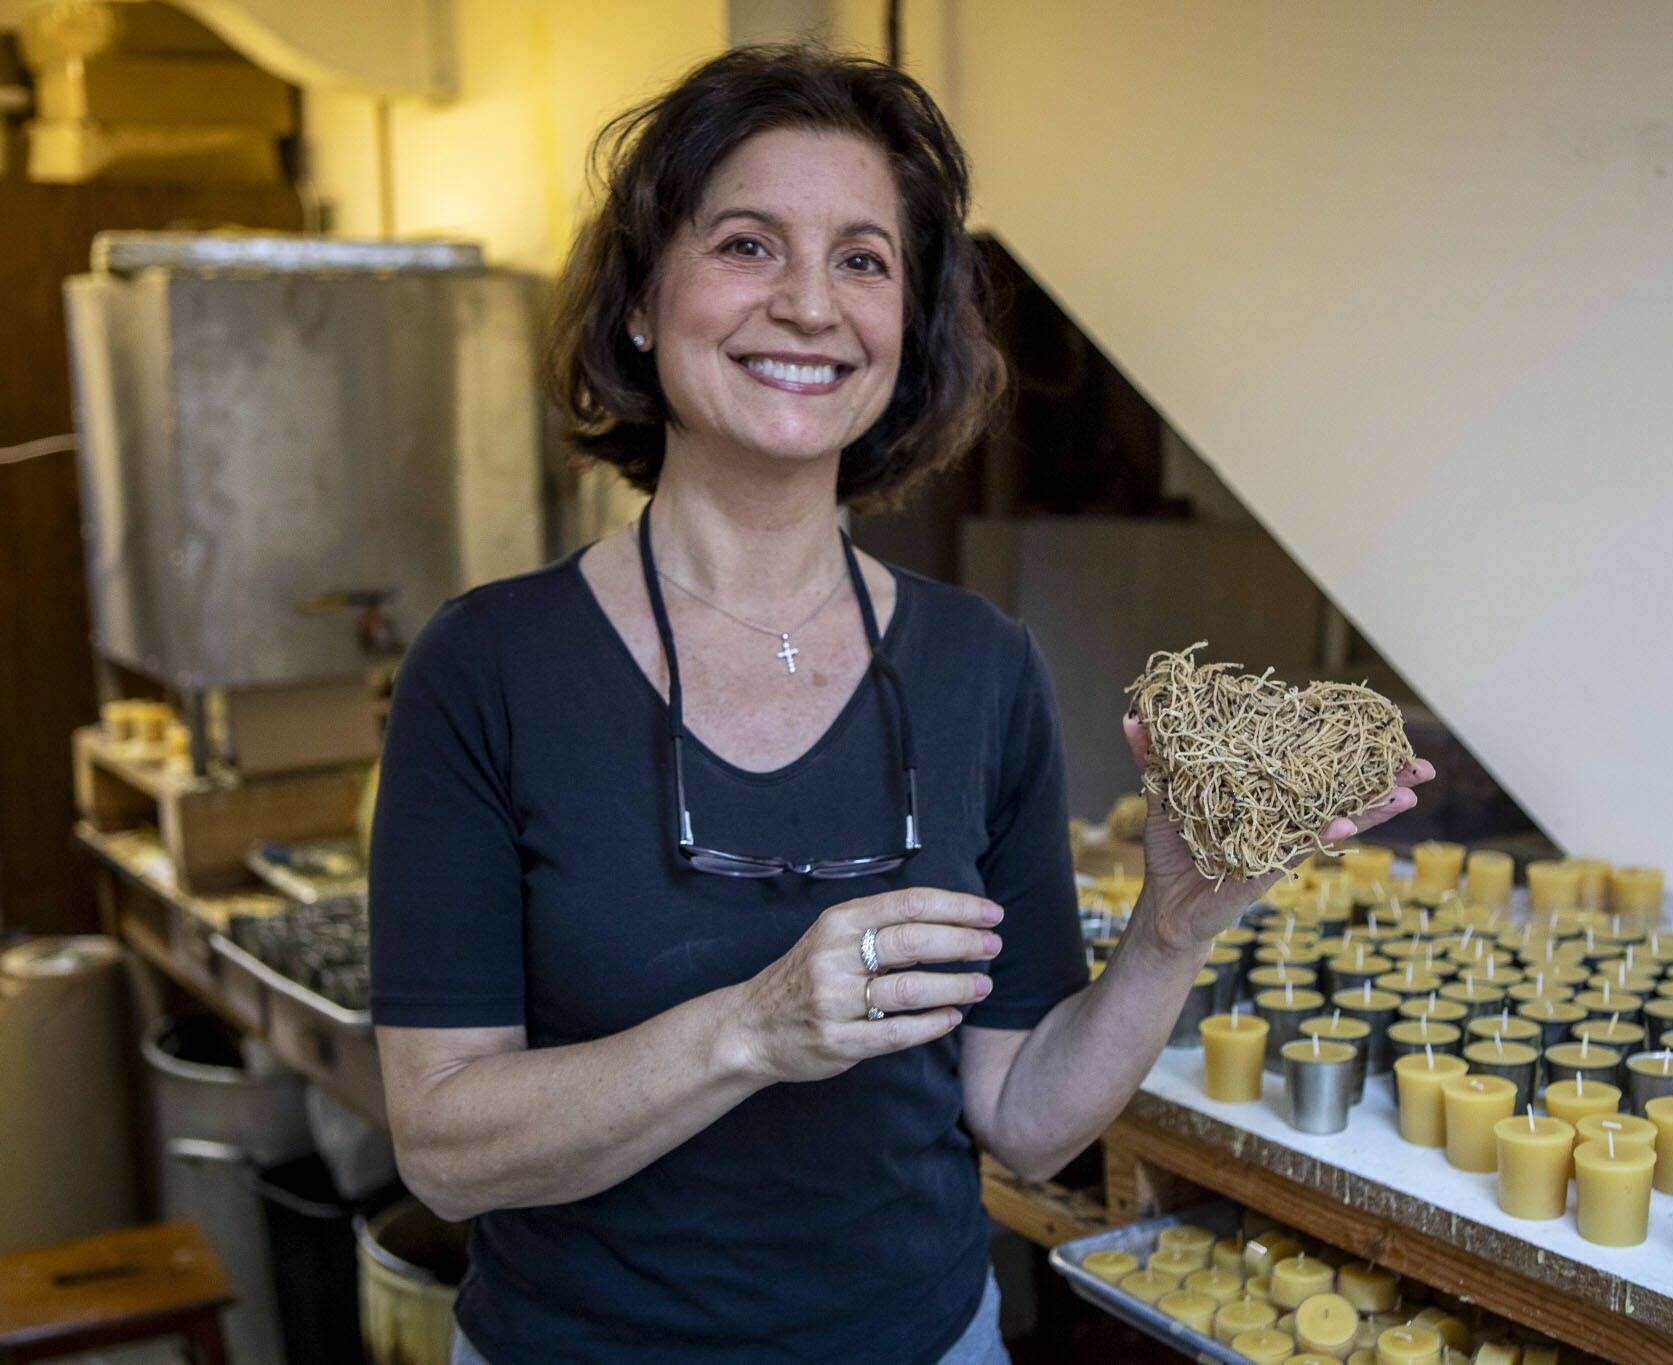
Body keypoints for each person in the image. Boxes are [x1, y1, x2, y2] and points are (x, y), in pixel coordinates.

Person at [368, 45, 1430, 1365]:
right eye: (749, 244)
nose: (810, 303)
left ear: (907, 331)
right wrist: (757, 1026)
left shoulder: (982, 666)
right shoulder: (486, 668)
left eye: (863, 260)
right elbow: (446, 1151)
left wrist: (1167, 934)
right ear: (642, 298)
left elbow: (1024, 1119)